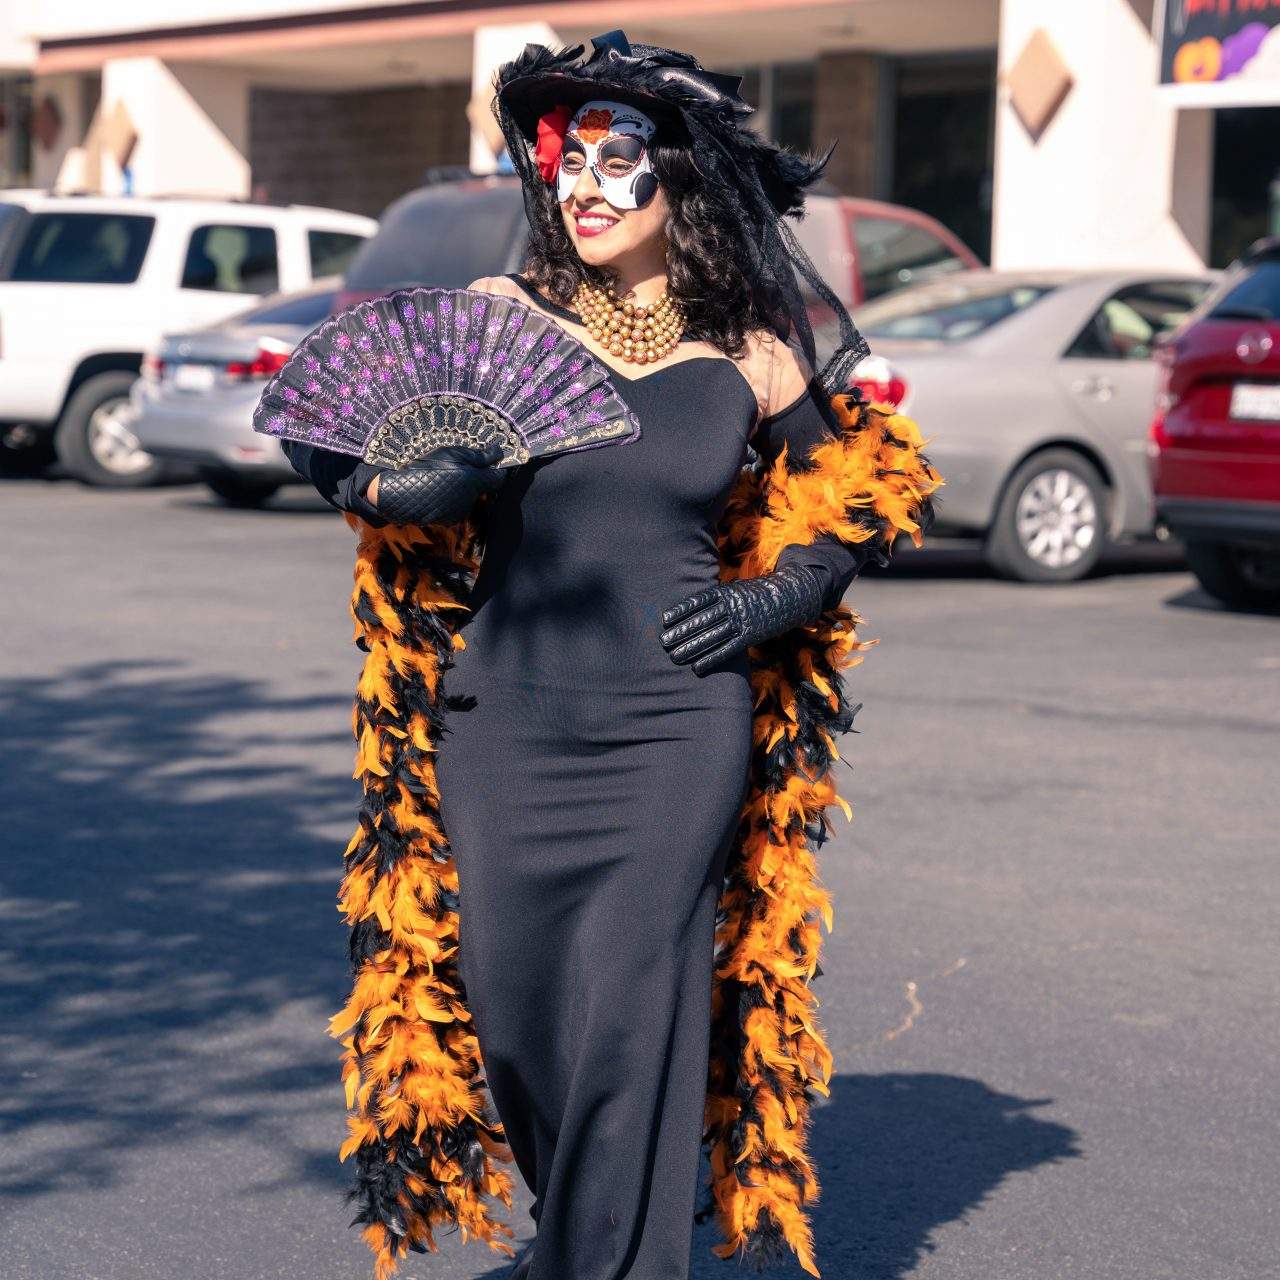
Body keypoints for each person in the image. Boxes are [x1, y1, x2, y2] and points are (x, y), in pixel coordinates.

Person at [280, 29, 940, 1280]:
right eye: (562, 161)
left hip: (672, 727)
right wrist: (390, 479)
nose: (578, 185)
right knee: (520, 1012)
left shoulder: (748, 353)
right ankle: (569, 1242)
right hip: (501, 719)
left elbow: (865, 488)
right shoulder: (496, 319)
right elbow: (312, 421)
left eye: (613, 158)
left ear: (679, 179)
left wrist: (779, 593)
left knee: (635, 1010)